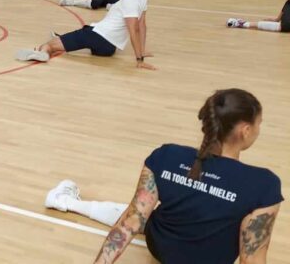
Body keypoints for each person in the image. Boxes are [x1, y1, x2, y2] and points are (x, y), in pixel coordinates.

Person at [45, 89, 281, 263]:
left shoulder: (167, 155)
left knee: (139, 210)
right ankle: (66, 201)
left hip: (160, 248)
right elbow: (252, 259)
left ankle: (67, 201)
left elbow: (132, 221)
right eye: (259, 124)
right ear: (245, 130)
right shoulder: (264, 185)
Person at [15, 0, 155, 69]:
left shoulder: (130, 1)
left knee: (50, 44)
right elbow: (142, 25)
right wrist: (141, 51)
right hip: (109, 48)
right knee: (79, 37)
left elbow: (134, 29)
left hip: (97, 36)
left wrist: (139, 60)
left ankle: (44, 52)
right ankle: (61, 42)